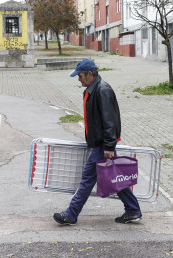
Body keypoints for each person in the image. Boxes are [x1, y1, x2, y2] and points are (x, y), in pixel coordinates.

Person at [53, 58, 142, 225]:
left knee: (87, 179)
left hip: (102, 146)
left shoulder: (102, 90)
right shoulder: (93, 89)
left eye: (80, 76)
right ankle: (133, 209)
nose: (78, 79)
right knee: (114, 176)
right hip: (100, 144)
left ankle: (71, 214)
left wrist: (109, 145)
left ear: (90, 74)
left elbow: (110, 121)